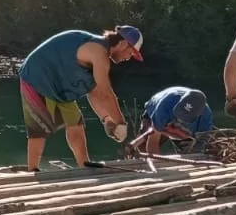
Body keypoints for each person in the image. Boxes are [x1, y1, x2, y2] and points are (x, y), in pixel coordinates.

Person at [18, 27, 143, 170]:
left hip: (59, 87)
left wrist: (107, 120)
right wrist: (121, 123)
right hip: (37, 77)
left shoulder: (101, 55)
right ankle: (32, 170)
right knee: (39, 128)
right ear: (123, 44)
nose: (129, 57)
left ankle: (84, 165)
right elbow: (106, 94)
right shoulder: (98, 52)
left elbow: (95, 92)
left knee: (76, 124)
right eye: (131, 52)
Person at [132, 87, 213, 154]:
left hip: (187, 131)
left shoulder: (206, 119)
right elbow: (153, 141)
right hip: (159, 116)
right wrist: (157, 167)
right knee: (142, 148)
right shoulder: (164, 107)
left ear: (200, 114)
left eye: (185, 117)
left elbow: (200, 144)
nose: (180, 120)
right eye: (181, 113)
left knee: (191, 151)